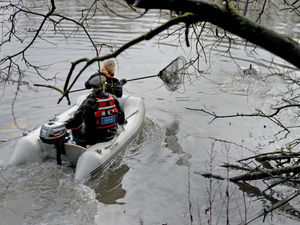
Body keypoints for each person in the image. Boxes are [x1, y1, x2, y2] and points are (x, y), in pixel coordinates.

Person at [65, 75, 125, 147]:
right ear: (103, 86)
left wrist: (66, 124)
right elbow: (121, 116)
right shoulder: (113, 98)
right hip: (111, 133)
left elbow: (75, 122)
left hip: (93, 138)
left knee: (76, 127)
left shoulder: (89, 102)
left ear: (93, 88)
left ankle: (80, 145)